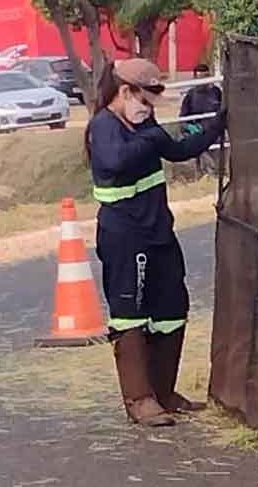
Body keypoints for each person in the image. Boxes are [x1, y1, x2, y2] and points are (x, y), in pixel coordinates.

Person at [87, 58, 225, 427]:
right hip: (124, 235)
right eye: (143, 100)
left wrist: (219, 123)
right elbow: (116, 161)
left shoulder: (144, 124)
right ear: (124, 91)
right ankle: (139, 399)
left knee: (172, 308)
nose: (147, 109)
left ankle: (164, 392)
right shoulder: (103, 127)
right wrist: (150, 135)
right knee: (130, 312)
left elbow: (178, 150)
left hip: (158, 232)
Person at [179, 63, 223, 178]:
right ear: (195, 78)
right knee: (195, 143)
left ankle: (215, 172)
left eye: (205, 77)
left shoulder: (216, 92)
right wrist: (190, 127)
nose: (203, 81)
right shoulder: (190, 95)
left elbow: (223, 111)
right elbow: (182, 119)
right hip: (199, 132)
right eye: (199, 78)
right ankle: (208, 173)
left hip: (216, 130)